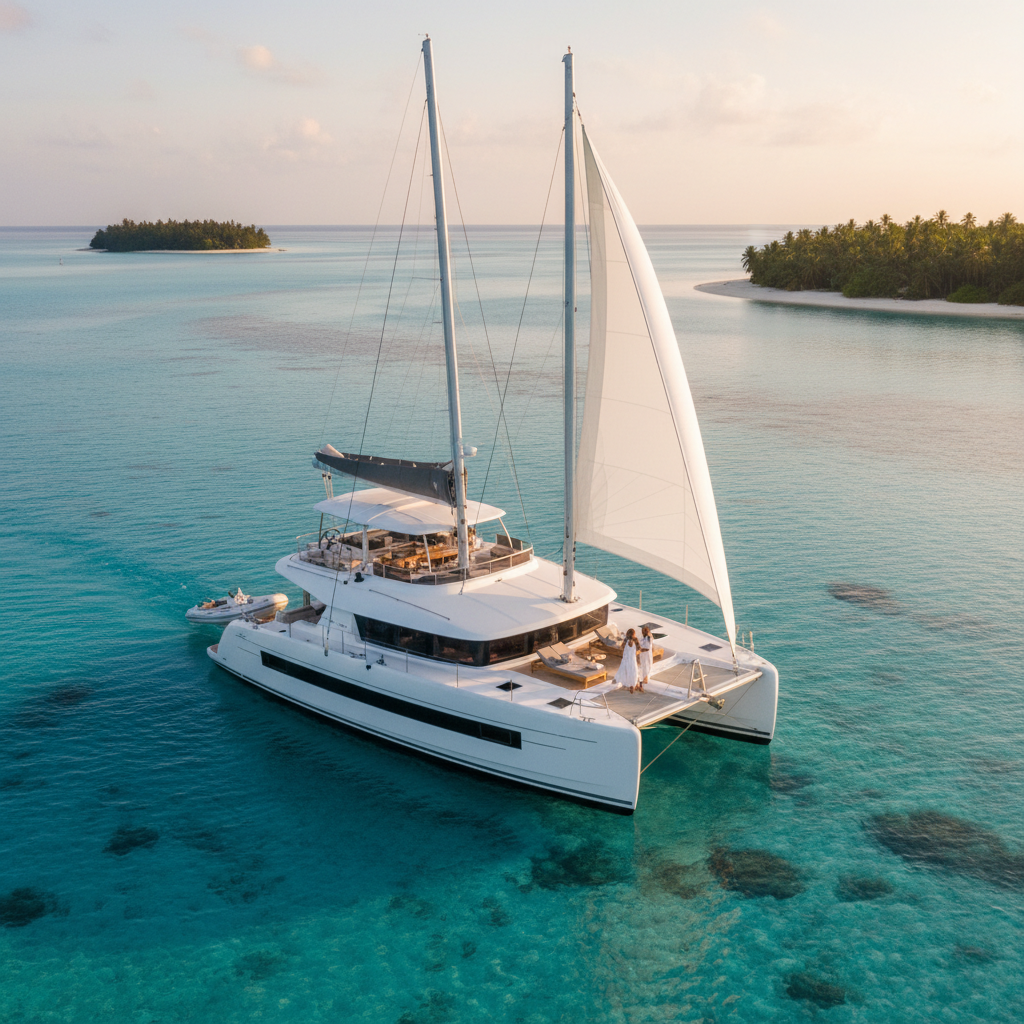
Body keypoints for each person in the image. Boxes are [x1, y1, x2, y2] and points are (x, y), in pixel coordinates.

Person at [612, 628, 640, 693]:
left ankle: (620, 681)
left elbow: (622, 646)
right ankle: (632, 684)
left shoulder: (626, 639)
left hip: (626, 657)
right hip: (632, 658)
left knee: (623, 669)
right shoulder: (635, 640)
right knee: (633, 670)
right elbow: (639, 648)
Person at [638, 626, 654, 692]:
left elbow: (649, 644)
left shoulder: (649, 638)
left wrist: (649, 634)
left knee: (648, 665)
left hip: (647, 653)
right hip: (643, 653)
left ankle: (645, 677)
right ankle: (645, 678)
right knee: (644, 665)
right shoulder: (642, 638)